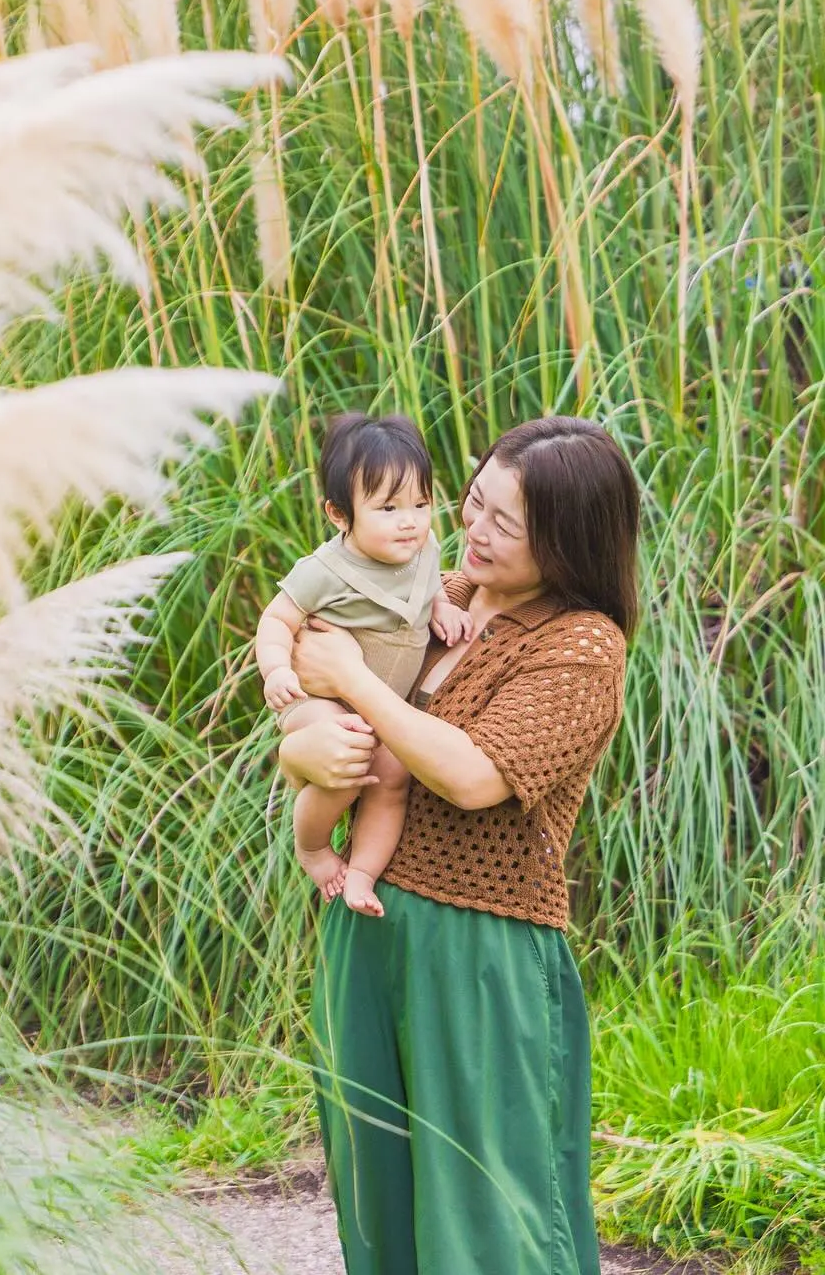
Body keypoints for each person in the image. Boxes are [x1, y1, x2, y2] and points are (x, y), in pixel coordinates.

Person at [278, 416, 639, 1275]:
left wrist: (354, 679)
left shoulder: (581, 644)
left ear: (569, 537)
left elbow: (474, 774)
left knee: (490, 1209)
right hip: (365, 921)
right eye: (473, 503)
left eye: (504, 523)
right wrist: (301, 743)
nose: (473, 531)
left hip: (481, 946)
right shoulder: (422, 592)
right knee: (381, 1194)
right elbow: (309, 703)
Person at [254, 413, 471, 911]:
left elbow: (427, 587)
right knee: (348, 754)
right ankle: (312, 848)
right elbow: (276, 620)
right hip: (320, 700)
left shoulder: (425, 549)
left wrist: (441, 606)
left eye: (421, 503)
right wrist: (277, 670)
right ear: (338, 514)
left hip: (379, 703)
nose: (410, 521)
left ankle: (363, 875)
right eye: (388, 507)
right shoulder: (324, 571)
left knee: (393, 773)